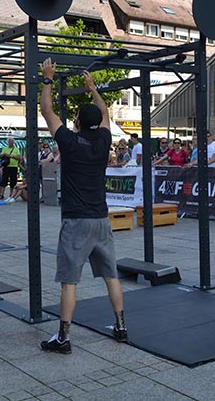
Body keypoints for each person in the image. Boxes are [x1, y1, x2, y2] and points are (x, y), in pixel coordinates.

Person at [39, 59, 127, 354]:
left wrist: (48, 79)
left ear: (76, 122)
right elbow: (104, 114)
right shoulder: (104, 140)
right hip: (101, 218)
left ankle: (64, 337)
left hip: (76, 220)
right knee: (111, 275)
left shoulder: (70, 142)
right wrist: (93, 89)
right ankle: (121, 326)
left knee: (69, 281)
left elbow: (47, 112)